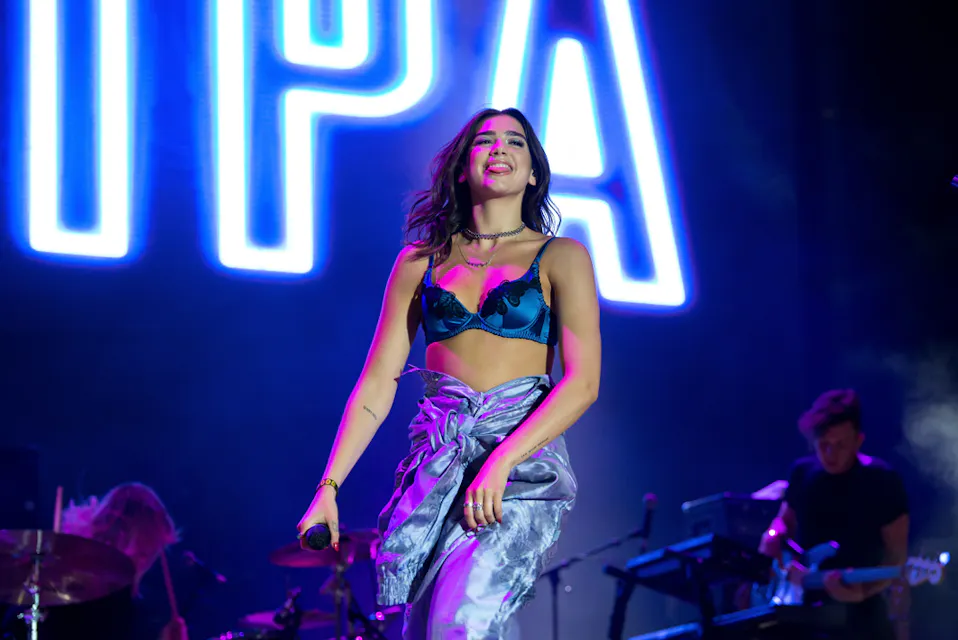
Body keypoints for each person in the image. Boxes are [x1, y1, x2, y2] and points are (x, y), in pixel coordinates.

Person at [296, 107, 601, 639]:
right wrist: (329, 486)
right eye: (485, 140)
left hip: (520, 468)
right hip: (437, 466)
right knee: (424, 632)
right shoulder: (420, 261)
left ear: (533, 171)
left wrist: (504, 459)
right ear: (463, 168)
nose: (499, 148)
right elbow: (376, 384)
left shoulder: (562, 256)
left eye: (515, 141)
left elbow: (583, 383)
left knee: (461, 623)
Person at [758, 389, 910, 640]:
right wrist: (773, 538)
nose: (830, 454)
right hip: (804, 615)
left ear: (858, 441)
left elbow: (896, 558)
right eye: (823, 445)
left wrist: (862, 591)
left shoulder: (883, 481)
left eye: (840, 445)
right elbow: (784, 523)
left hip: (863, 620)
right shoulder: (802, 473)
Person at [20, 483, 187, 640]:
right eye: (143, 554)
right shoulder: (75, 594)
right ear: (114, 537)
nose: (145, 565)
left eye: (153, 554)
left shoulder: (132, 609)